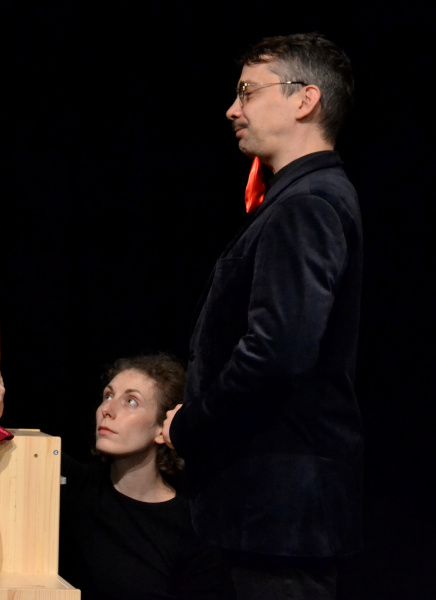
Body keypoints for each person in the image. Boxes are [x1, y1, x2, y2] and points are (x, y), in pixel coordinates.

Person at [162, 34, 363, 599]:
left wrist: (191, 425)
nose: (233, 109)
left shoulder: (308, 203)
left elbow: (278, 352)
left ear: (305, 99)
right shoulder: (301, 197)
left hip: (279, 515)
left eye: (248, 92)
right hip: (268, 513)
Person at [60, 354, 233, 600]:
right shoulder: (71, 485)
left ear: (163, 429)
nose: (107, 410)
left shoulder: (191, 529)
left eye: (131, 401)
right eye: (108, 396)